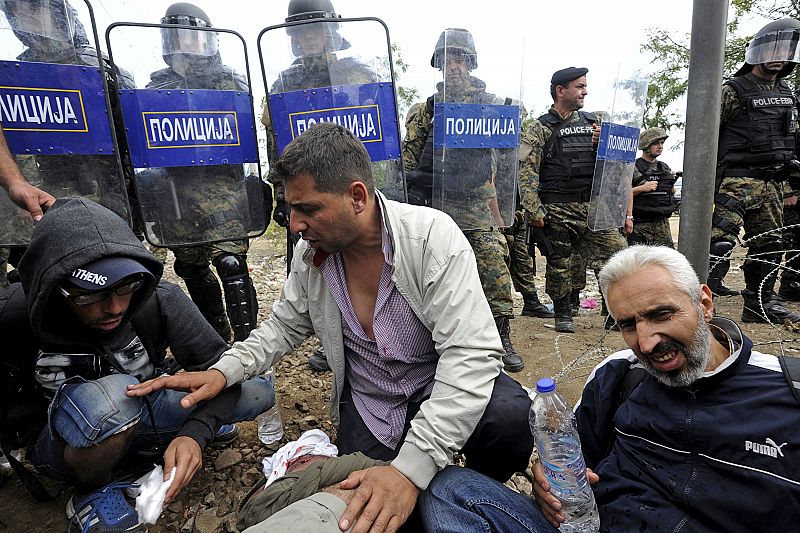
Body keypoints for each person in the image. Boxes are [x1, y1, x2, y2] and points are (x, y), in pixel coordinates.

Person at [128, 122, 534, 533]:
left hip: (435, 383)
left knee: (508, 419)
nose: (295, 225)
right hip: (373, 401)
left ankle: (474, 494)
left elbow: (470, 355)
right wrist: (222, 371)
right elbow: (282, 328)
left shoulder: (431, 238)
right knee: (364, 503)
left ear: (357, 196)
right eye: (291, 211)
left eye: (309, 209)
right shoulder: (312, 258)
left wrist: (412, 468)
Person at [419, 245, 800, 532]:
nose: (647, 342)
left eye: (661, 315)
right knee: (450, 489)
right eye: (629, 324)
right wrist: (547, 485)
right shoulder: (619, 376)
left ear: (705, 302)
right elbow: (572, 469)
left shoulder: (786, 394)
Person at [0, 197, 273, 532]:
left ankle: (157, 441)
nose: (114, 307)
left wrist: (196, 432)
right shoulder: (12, 317)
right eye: (90, 295)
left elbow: (219, 371)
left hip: (144, 412)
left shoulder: (160, 299)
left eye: (125, 288)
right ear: (54, 287)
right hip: (61, 444)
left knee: (256, 390)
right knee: (113, 400)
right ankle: (92, 490)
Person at [263, 0, 378, 371]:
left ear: (330, 32)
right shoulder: (283, 83)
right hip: (307, 193)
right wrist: (284, 196)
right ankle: (331, 338)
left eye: (315, 29)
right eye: (301, 32)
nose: (308, 38)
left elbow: (379, 133)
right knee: (315, 267)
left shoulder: (359, 73)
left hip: (350, 188)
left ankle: (362, 338)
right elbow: (275, 142)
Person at [402, 28, 524, 371]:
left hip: (476, 205)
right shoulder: (425, 110)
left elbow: (510, 155)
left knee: (493, 268)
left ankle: (501, 337)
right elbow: (408, 162)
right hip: (435, 206)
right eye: (446, 59)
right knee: (428, 275)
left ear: (470, 63)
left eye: (459, 59)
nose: (453, 66)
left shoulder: (493, 106)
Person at [143, 2, 260, 342]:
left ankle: (249, 345)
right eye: (176, 35)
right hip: (176, 197)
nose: (184, 42)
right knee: (192, 268)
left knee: (231, 265)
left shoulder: (229, 82)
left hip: (224, 194)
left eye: (191, 36)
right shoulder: (155, 88)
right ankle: (216, 336)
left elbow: (245, 132)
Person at [519, 66, 628, 333]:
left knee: (618, 257)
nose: (585, 91)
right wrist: (535, 210)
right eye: (579, 86)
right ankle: (563, 313)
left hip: (593, 207)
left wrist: (602, 144)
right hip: (558, 207)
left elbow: (619, 166)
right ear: (560, 90)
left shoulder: (596, 123)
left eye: (585, 86)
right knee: (560, 263)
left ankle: (615, 312)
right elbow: (526, 171)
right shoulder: (540, 128)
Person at [709, 18, 800, 322]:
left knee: (771, 244)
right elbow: (704, 136)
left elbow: (789, 139)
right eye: (774, 48)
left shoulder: (787, 93)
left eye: (786, 48)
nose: (780, 55)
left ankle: (759, 303)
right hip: (735, 181)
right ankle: (698, 301)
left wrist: (788, 186)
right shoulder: (732, 90)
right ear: (758, 51)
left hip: (772, 183)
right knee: (718, 244)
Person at [628, 127, 677, 247]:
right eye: (656, 143)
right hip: (641, 223)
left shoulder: (663, 167)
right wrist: (642, 188)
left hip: (661, 223)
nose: (660, 146)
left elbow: (671, 192)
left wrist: (670, 183)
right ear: (646, 145)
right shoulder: (633, 167)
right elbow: (622, 194)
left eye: (662, 143)